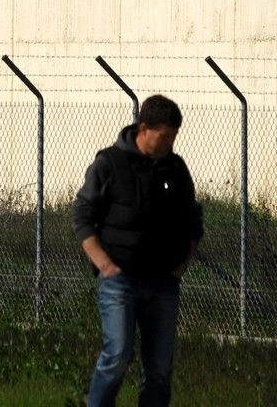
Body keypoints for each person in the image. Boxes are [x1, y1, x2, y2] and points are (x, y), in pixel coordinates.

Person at [73, 94, 204, 407]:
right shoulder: (110, 163)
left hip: (163, 282)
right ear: (144, 129)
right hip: (120, 281)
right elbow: (82, 215)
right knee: (117, 355)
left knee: (159, 368)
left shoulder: (175, 169)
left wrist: (183, 263)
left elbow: (193, 221)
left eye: (174, 136)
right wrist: (104, 264)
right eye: (165, 136)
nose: (170, 143)